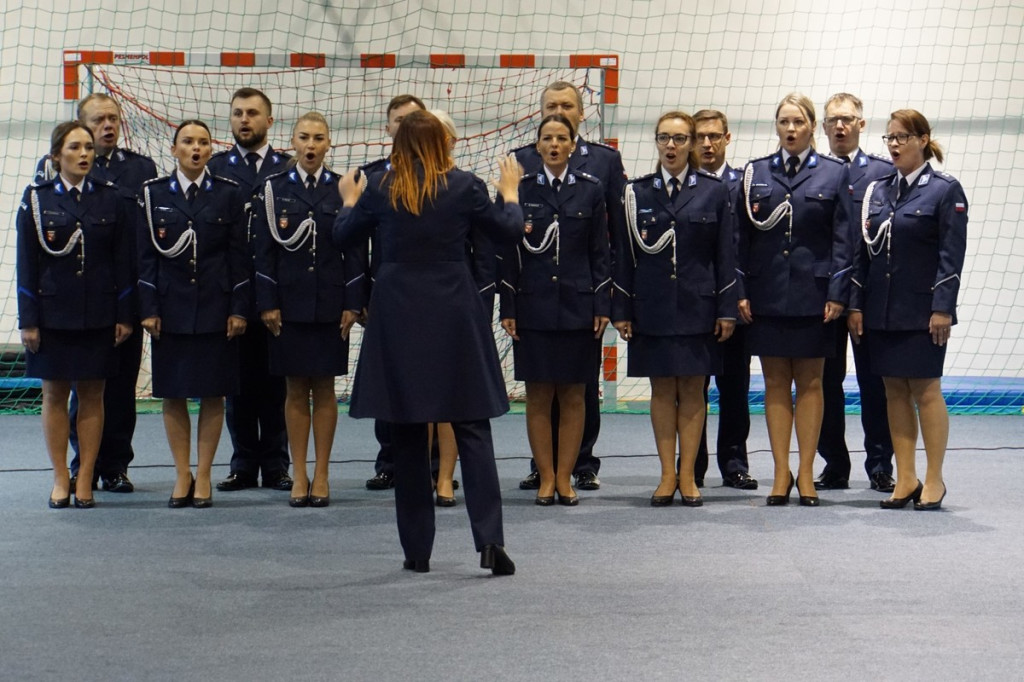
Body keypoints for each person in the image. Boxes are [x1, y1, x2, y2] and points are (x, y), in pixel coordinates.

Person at [333, 110, 520, 575]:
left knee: (408, 432)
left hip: (397, 314)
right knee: (473, 428)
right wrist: (511, 194)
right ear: (443, 142)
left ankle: (417, 551)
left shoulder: (378, 188)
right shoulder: (465, 186)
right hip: (454, 312)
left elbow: (342, 236)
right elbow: (509, 231)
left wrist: (349, 201)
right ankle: (490, 542)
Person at [33, 93, 157, 494]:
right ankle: (79, 464)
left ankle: (116, 465)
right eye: (98, 120)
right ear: (81, 124)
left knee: (117, 388)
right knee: (75, 388)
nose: (108, 126)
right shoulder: (47, 174)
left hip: (123, 293)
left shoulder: (141, 169)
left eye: (113, 119)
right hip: (68, 301)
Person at [612, 111, 736, 506]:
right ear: (656, 141)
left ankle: (688, 476)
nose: (671, 146)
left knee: (694, 390)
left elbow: (725, 256)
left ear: (692, 144)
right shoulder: (637, 193)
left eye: (680, 139)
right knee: (662, 391)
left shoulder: (714, 191)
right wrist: (622, 309)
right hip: (652, 307)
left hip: (699, 307)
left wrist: (726, 309)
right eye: (664, 138)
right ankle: (667, 475)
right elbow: (624, 257)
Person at [736, 93, 853, 507]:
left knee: (811, 383)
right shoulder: (755, 173)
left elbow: (845, 239)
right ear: (776, 126)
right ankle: (780, 473)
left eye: (798, 122)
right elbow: (740, 239)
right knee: (772, 384)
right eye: (783, 121)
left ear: (811, 128)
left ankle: (806, 473)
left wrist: (839, 292)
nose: (790, 129)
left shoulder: (835, 174)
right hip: (766, 295)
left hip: (815, 297)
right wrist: (741, 290)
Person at [849, 109, 967, 511]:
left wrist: (943, 309)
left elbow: (951, 257)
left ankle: (934, 479)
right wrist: (858, 304)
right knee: (892, 392)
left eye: (902, 137)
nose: (894, 145)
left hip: (923, 312)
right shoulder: (879, 191)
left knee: (926, 390)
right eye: (890, 138)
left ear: (922, 139)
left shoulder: (944, 190)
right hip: (881, 310)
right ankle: (907, 477)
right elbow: (864, 255)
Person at [514, 80, 626, 493]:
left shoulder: (603, 164)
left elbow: (611, 235)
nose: (557, 113)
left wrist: (607, 295)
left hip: (581, 296)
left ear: (581, 115)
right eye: (550, 106)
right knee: (540, 391)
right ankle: (542, 469)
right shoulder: (520, 163)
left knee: (580, 390)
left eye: (566, 106)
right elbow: (508, 242)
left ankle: (580, 464)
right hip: (536, 299)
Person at [17, 121, 135, 508]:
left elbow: (123, 261)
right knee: (53, 393)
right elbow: (26, 264)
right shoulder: (36, 198)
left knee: (93, 394)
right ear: (56, 156)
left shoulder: (111, 198)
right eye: (74, 148)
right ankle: (59, 478)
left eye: (87, 147)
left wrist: (124, 313)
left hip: (98, 313)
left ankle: (85, 477)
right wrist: (28, 319)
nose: (84, 154)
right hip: (52, 314)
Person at [253, 112, 365, 507]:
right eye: (304, 138)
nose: (312, 145)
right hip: (288, 304)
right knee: (295, 389)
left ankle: (322, 473)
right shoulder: (272, 189)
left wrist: (354, 302)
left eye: (319, 138)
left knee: (326, 389)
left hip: (330, 305)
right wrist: (267, 302)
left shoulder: (343, 189)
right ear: (293, 142)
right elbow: (263, 253)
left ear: (329, 143)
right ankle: (298, 472)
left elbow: (356, 251)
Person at [138, 120, 249, 508]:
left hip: (217, 309)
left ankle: (203, 475)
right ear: (174, 149)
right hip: (170, 310)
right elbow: (146, 258)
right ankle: (181, 472)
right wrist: (149, 308)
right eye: (188, 142)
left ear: (210, 150)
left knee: (214, 394)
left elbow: (239, 257)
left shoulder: (228, 194)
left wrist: (238, 308)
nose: (196, 149)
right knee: (173, 395)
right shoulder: (152, 195)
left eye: (203, 142)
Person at [209, 87, 293, 494]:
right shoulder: (215, 167)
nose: (245, 120)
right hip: (233, 295)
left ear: (269, 121)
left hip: (279, 294)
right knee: (238, 386)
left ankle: (277, 465)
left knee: (278, 385)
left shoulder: (288, 167)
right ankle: (243, 464)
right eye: (238, 113)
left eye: (253, 113)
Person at [815, 93, 896, 493]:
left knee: (874, 383)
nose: (840, 126)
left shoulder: (884, 174)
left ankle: (881, 464)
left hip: (867, 299)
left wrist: (858, 298)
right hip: (823, 300)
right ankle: (834, 465)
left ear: (862, 125)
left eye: (848, 119)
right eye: (833, 120)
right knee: (825, 383)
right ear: (823, 127)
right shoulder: (813, 173)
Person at [361, 94, 428, 493]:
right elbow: (355, 246)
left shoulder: (446, 178)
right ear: (387, 128)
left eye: (413, 119)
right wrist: (362, 297)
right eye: (397, 120)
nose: (404, 126)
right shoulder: (372, 179)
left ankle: (436, 465)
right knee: (389, 383)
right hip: (387, 298)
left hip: (433, 302)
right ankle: (389, 461)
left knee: (434, 384)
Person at [691, 109, 758, 491]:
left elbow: (749, 248)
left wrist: (742, 296)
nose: (707, 143)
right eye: (700, 136)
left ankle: (734, 462)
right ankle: (693, 466)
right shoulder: (684, 188)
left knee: (734, 389)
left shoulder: (744, 185)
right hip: (696, 306)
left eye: (715, 136)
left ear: (727, 139)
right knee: (692, 390)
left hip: (736, 305)